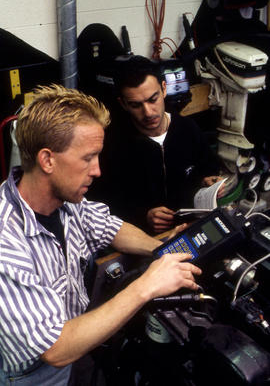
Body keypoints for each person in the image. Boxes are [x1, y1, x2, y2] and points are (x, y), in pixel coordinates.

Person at [0, 84, 202, 385]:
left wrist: (162, 250)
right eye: (88, 158)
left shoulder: (68, 204)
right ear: (47, 160)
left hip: (80, 343)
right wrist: (147, 285)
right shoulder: (7, 242)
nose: (97, 170)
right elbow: (54, 349)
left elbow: (111, 227)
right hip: (37, 374)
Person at [87, 56, 223, 234]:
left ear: (164, 89)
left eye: (153, 99)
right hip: (139, 236)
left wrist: (210, 183)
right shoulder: (112, 145)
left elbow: (208, 169)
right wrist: (143, 215)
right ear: (123, 104)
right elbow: (98, 204)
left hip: (190, 228)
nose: (148, 112)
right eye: (136, 105)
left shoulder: (187, 129)